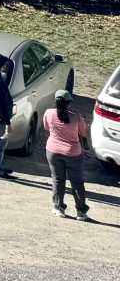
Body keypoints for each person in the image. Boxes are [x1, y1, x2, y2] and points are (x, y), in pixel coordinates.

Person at [41, 89, 92, 221]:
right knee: (77, 183)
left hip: (53, 151)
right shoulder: (75, 116)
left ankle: (59, 208)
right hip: (73, 153)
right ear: (69, 102)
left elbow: (46, 127)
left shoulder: (49, 113)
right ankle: (81, 212)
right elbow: (84, 132)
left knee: (58, 180)